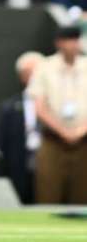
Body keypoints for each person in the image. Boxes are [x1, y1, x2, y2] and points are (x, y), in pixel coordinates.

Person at [30, 26, 87, 204]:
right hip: (53, 141)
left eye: (76, 39)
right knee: (48, 195)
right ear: (59, 43)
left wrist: (80, 131)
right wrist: (63, 132)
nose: (73, 44)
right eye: (69, 40)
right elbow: (39, 107)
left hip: (84, 142)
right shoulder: (45, 67)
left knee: (82, 197)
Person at [0, 51, 44, 204]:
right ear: (22, 76)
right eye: (31, 73)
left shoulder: (55, 106)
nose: (36, 77)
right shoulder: (9, 108)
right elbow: (2, 144)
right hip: (20, 167)